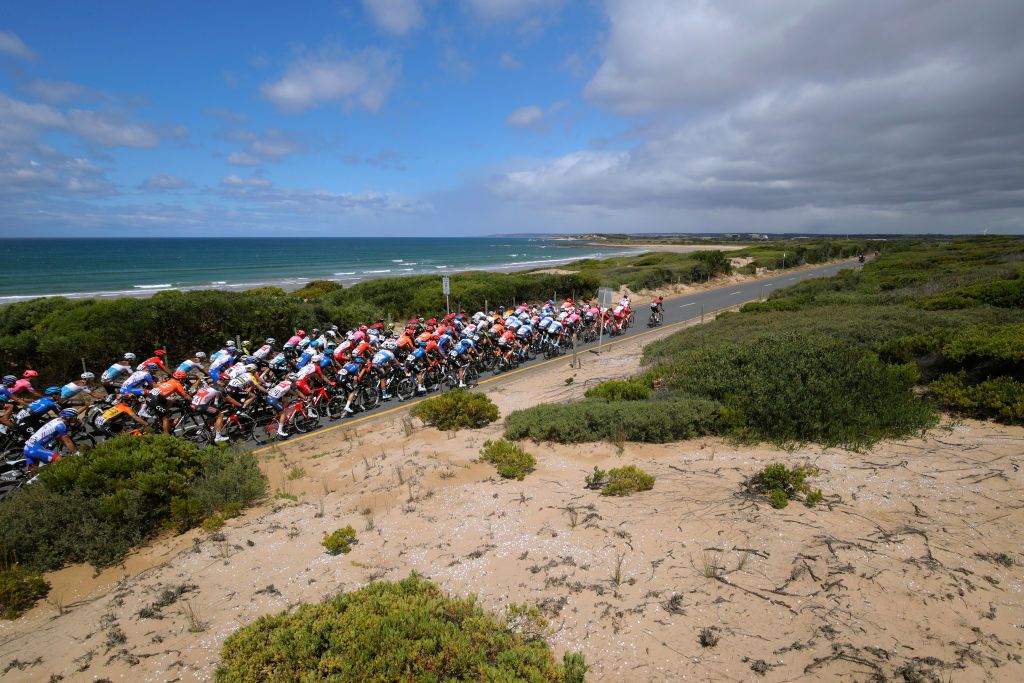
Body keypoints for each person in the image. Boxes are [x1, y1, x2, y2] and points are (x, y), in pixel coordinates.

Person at [267, 373, 304, 438]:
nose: (296, 381)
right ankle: (280, 431)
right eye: (295, 379)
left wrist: (296, 395)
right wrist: (304, 397)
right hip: (274, 399)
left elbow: (288, 390)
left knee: (286, 401)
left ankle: (281, 419)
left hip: (270, 397)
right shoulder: (292, 384)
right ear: (293, 379)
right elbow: (298, 392)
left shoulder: (284, 382)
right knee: (283, 413)